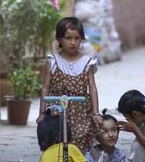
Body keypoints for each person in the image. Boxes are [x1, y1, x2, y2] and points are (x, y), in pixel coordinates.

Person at [36, 17, 101, 154]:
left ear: (81, 39)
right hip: (56, 112)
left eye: (77, 38)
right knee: (57, 146)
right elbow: (45, 87)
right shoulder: (53, 61)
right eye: (68, 38)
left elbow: (93, 88)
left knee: (79, 148)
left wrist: (96, 112)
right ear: (59, 39)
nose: (73, 42)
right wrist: (42, 113)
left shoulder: (87, 62)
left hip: (81, 113)